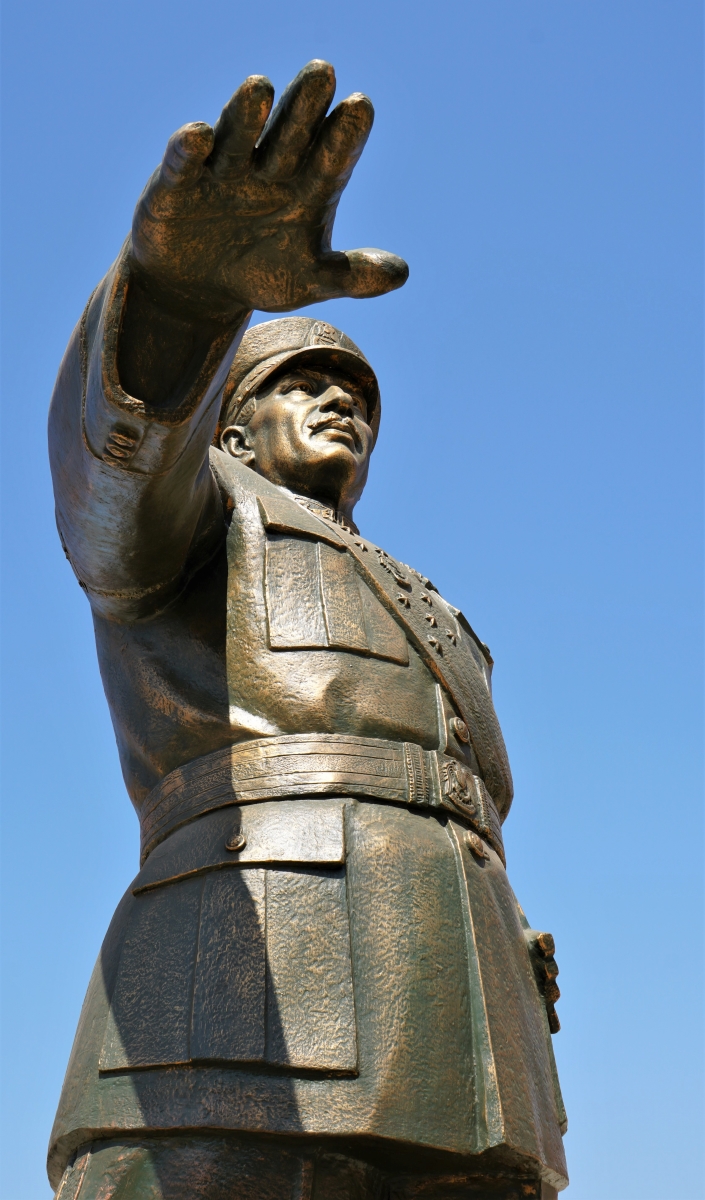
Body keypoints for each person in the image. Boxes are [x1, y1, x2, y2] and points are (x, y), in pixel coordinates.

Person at [49, 61, 567, 1200]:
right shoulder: (199, 520)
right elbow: (111, 480)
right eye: (305, 383)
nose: (345, 402)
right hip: (248, 988)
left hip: (459, 1013)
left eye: (361, 397)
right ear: (230, 429)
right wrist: (178, 304)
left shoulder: (429, 604)